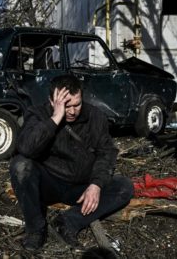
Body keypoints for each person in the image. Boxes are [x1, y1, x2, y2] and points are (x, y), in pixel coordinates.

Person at [9, 74, 134, 251]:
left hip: (81, 187)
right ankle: (36, 230)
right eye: (66, 106)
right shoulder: (37, 113)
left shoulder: (95, 116)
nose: (73, 111)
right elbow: (26, 148)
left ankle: (67, 222)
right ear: (52, 102)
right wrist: (56, 118)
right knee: (20, 166)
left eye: (77, 104)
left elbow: (106, 153)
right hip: (48, 184)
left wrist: (96, 184)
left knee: (124, 186)